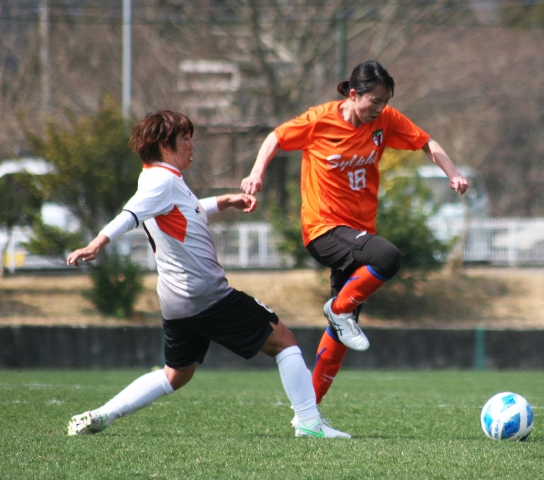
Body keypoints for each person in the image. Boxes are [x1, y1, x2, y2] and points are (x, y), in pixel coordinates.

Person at [66, 110, 350, 439]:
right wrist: (98, 242)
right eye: (185, 138)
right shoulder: (162, 181)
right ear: (164, 145)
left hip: (177, 301)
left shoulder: (159, 177)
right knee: (283, 341)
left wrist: (223, 201)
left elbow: (181, 209)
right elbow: (130, 214)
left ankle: (101, 414)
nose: (192, 144)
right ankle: (309, 423)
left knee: (176, 375)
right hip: (204, 294)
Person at [241, 61, 469, 409]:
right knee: (388, 257)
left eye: (385, 101)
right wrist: (257, 174)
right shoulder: (319, 120)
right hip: (324, 229)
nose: (380, 108)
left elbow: (427, 142)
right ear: (353, 94)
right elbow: (276, 136)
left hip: (359, 232)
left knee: (340, 338)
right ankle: (338, 309)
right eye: (375, 101)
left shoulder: (385, 121)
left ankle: (308, 415)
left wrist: (452, 173)